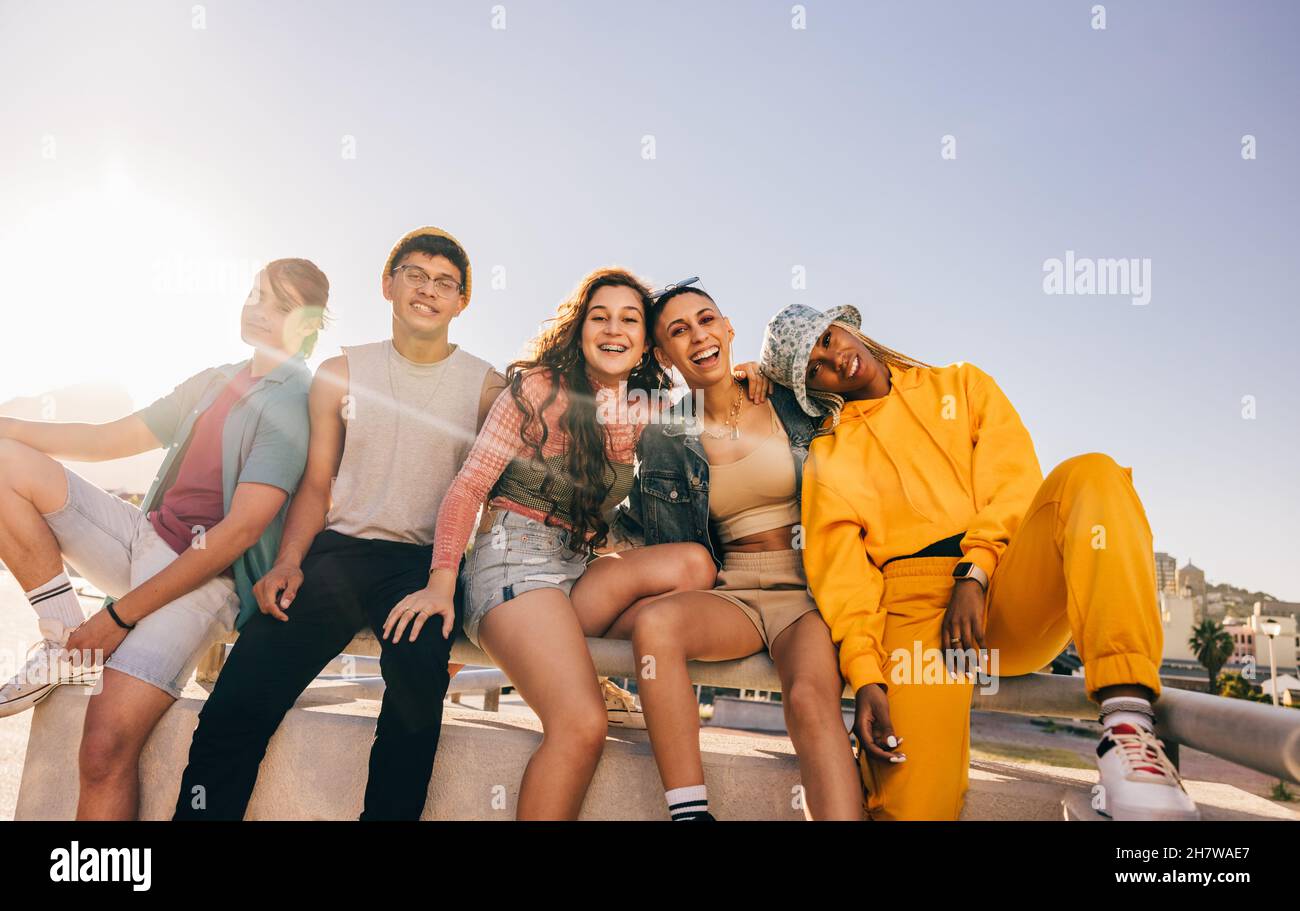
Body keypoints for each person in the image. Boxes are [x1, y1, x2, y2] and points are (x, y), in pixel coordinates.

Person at [761, 301, 1200, 821]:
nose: (833, 359)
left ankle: (1128, 731)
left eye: (826, 339)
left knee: (1094, 475)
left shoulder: (962, 385)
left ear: (845, 327)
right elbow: (844, 578)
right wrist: (867, 676)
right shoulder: (829, 456)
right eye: (814, 368)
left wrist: (977, 571)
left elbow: (1013, 486)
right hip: (911, 612)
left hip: (1003, 586)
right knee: (911, 806)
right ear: (813, 390)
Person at [174, 226, 502, 821]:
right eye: (415, 276)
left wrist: (448, 580)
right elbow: (317, 484)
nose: (428, 291)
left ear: (462, 302)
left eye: (445, 283)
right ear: (388, 285)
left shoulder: (486, 387)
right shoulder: (341, 371)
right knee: (239, 697)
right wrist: (289, 561)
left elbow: (489, 492)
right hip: (338, 554)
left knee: (414, 705)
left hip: (423, 568)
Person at [0, 258, 327, 820]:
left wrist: (117, 618)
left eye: (279, 305)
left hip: (205, 580)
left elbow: (240, 531)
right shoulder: (214, 380)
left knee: (104, 747)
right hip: (142, 540)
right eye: (254, 294)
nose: (258, 309)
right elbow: (105, 438)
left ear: (309, 323)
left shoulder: (293, 399)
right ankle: (61, 641)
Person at [399, 267, 726, 820]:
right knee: (581, 724)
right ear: (579, 329)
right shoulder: (537, 388)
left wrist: (748, 377)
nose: (613, 329)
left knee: (694, 564)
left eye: (629, 319)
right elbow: (469, 487)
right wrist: (440, 585)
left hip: (579, 571)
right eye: (599, 317)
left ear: (648, 342)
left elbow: (713, 408)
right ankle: (569, 669)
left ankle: (574, 658)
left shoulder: (647, 411)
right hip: (511, 563)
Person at [578, 279, 863, 821]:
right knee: (657, 624)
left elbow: (863, 393)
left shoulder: (792, 400)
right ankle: (690, 813)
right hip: (732, 591)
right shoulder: (665, 434)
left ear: (729, 329)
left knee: (808, 698)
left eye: (707, 320)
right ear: (663, 354)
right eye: (679, 331)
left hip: (810, 589)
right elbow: (638, 527)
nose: (699, 337)